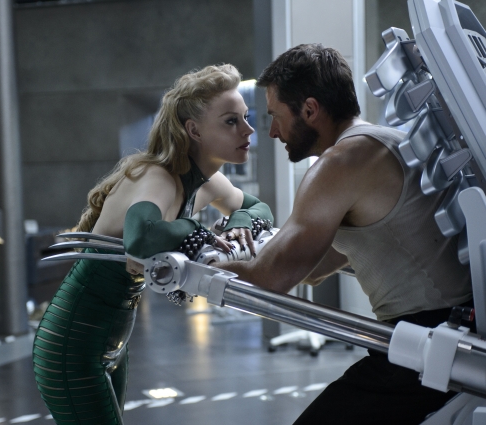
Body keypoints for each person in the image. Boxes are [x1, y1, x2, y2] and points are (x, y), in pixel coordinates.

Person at [218, 44, 473, 425]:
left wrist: (202, 264)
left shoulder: (338, 164)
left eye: (275, 116)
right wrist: (262, 248)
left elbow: (270, 279)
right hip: (449, 329)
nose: (271, 131)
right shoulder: (389, 141)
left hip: (426, 345)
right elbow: (314, 268)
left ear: (310, 110)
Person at [32, 64, 274, 425]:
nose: (248, 129)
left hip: (112, 339)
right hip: (73, 343)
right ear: (194, 130)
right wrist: (198, 229)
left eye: (245, 118)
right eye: (231, 121)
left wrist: (238, 223)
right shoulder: (159, 178)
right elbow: (141, 237)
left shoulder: (207, 181)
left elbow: (258, 208)